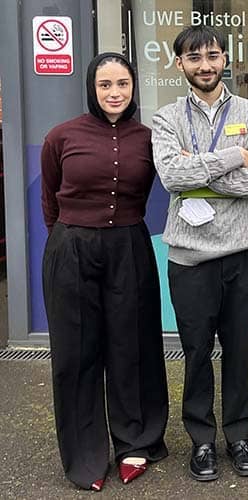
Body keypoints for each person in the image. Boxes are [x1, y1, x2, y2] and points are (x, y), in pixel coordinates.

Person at [152, 26, 248, 481]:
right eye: (194, 58)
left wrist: (201, 171)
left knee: (239, 349)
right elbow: (170, 175)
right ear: (180, 64)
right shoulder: (167, 118)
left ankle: (239, 434)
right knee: (196, 350)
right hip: (189, 254)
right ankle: (202, 440)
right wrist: (231, 157)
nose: (204, 65)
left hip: (242, 251)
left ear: (225, 58)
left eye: (212, 55)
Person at [41, 52, 169, 491]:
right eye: (105, 85)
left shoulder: (148, 139)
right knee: (77, 354)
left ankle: (135, 441)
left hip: (129, 247)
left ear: (134, 89)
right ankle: (85, 453)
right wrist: (68, 239)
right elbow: (49, 200)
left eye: (123, 85)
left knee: (130, 345)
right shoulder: (61, 137)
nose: (114, 93)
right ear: (92, 89)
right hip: (72, 248)